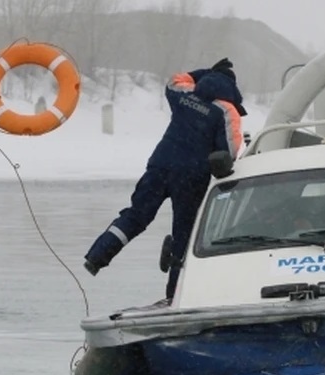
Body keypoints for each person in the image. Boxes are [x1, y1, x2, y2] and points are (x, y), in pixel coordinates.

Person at [83, 58, 246, 303]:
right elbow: (230, 151)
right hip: (192, 177)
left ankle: (96, 257)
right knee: (184, 234)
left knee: (136, 215)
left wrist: (203, 74)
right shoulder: (226, 109)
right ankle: (174, 296)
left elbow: (173, 81)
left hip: (160, 165)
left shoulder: (185, 94)